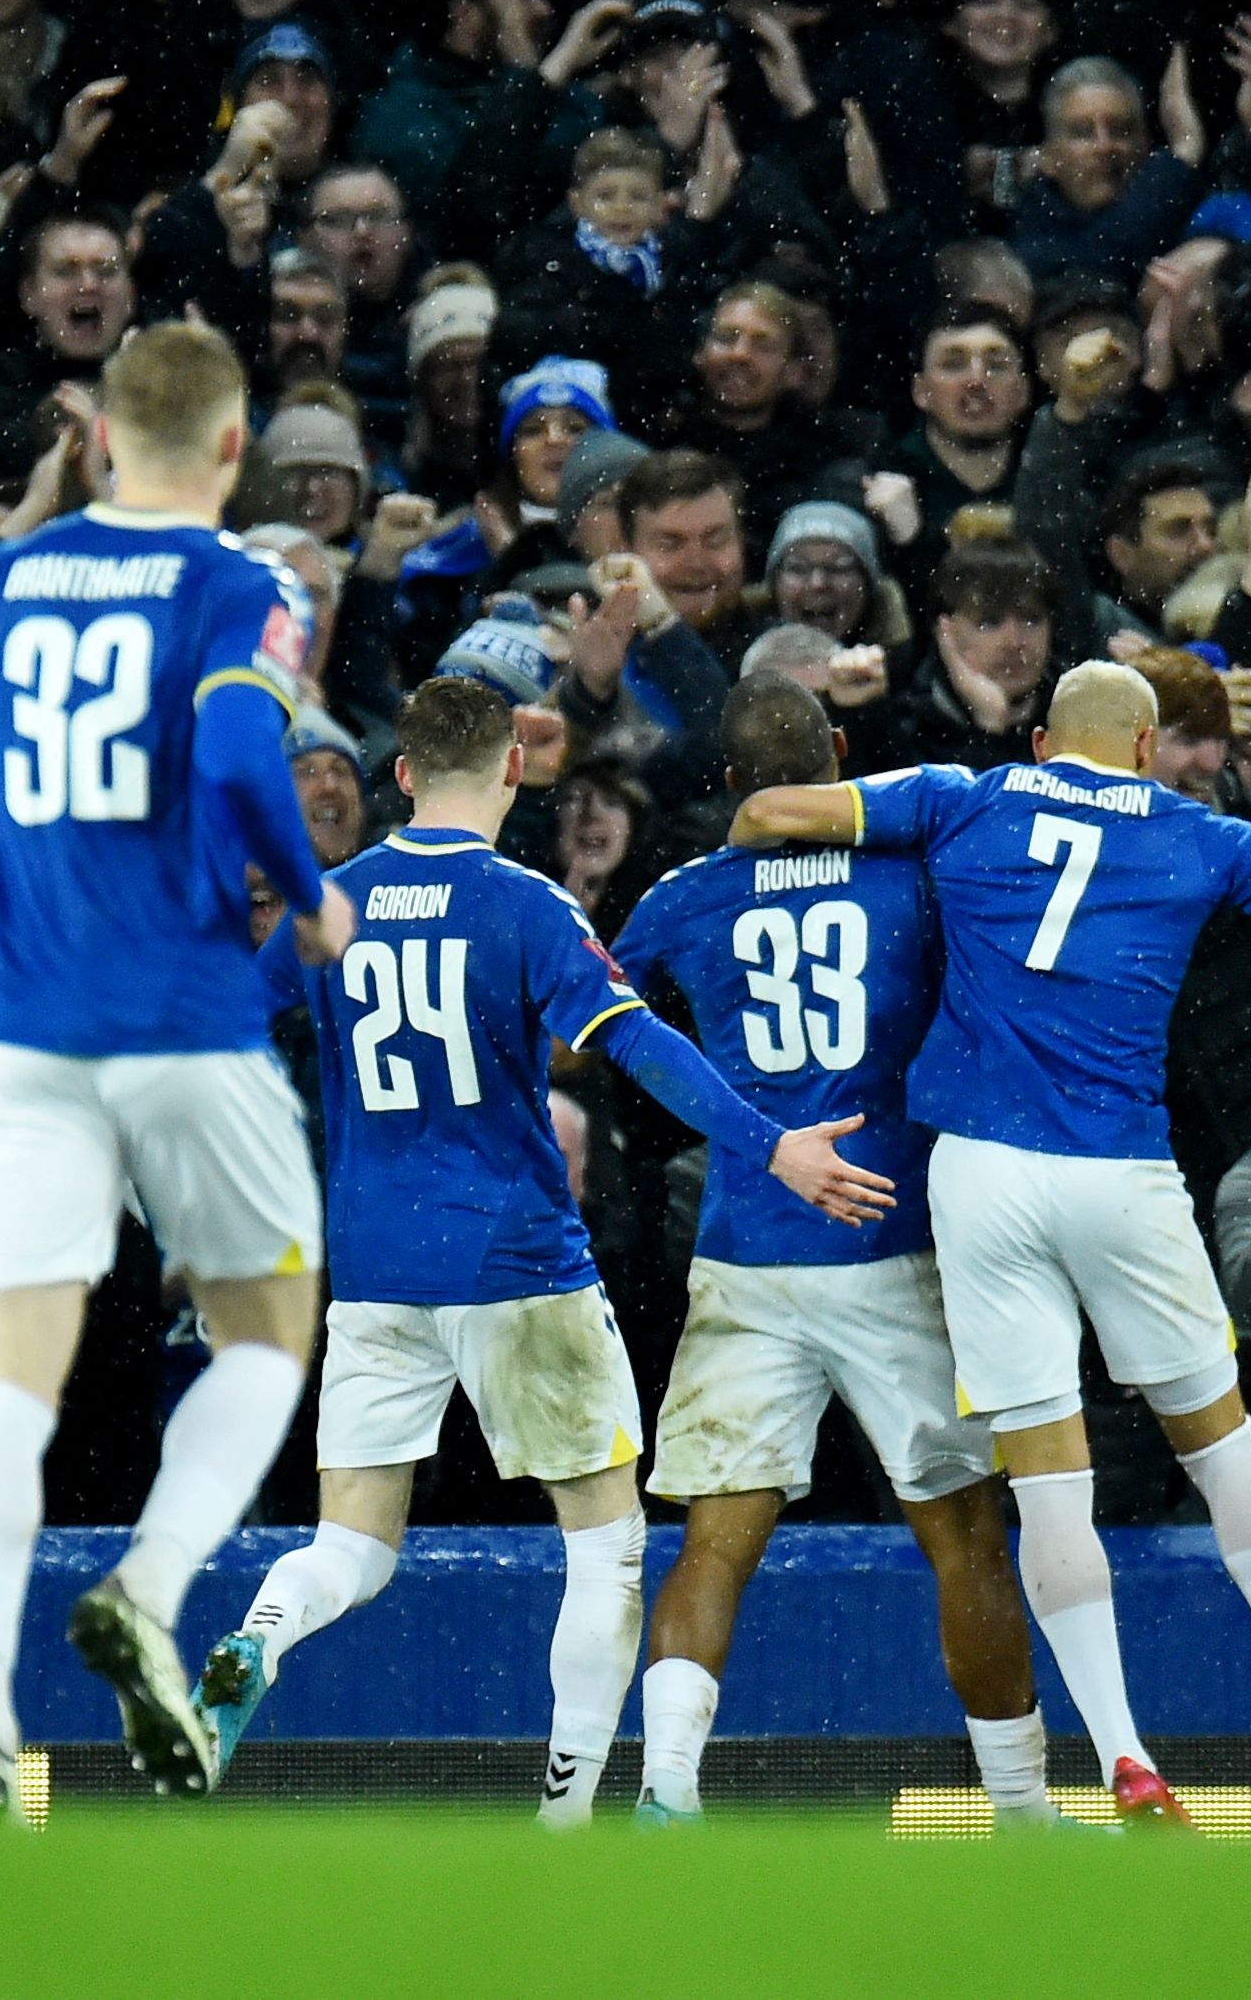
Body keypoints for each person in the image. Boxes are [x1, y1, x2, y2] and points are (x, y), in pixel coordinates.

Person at [187, 675, 890, 1824]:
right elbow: (638, 1045)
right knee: (605, 1549)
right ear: (514, 767)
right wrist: (770, 1147)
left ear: (403, 776)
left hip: (373, 1269)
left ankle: (259, 1636)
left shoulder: (329, 901)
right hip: (516, 1261)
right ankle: (566, 1815)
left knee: (351, 1550)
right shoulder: (527, 907)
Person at [728, 659, 1251, 1829]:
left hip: (982, 1174)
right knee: (1223, 1451)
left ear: (1042, 741)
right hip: (1121, 1172)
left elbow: (766, 814)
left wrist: (864, 823)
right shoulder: (1207, 835)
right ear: (1144, 748)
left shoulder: (969, 794)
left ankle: (1125, 1756)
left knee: (1051, 1490)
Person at [0, 321, 350, 1810]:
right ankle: (146, 1590)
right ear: (230, 449)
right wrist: (313, 888)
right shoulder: (244, 585)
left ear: (92, 443)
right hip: (185, 1018)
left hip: (20, 1029)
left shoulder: (1, 583)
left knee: (7, 1384)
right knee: (269, 1327)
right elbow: (228, 755)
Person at [607, 673, 1045, 1828]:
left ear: (731, 785)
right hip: (896, 1244)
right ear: (841, 756)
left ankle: (666, 1795)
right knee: (963, 1540)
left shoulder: (685, 895)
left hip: (751, 1248)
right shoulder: (914, 882)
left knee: (713, 1545)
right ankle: (1018, 1809)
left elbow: (605, 1026)